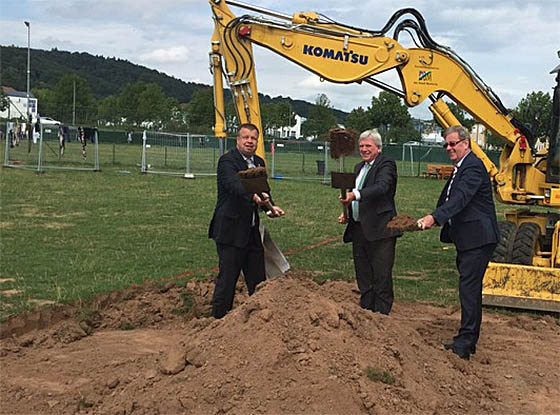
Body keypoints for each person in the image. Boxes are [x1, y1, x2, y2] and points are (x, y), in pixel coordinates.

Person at [417, 125, 499, 360]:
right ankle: (467, 339)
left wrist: (435, 217)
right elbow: (450, 198)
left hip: (478, 239)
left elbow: (461, 198)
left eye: (453, 143)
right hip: (469, 238)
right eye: (446, 144)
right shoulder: (460, 167)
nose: (449, 148)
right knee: (468, 288)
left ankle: (465, 344)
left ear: (466, 143)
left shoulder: (472, 167)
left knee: (469, 289)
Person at [208, 123, 284, 319]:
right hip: (230, 230)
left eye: (253, 138)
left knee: (258, 280)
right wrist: (255, 198)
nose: (250, 141)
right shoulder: (227, 161)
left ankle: (257, 323)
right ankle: (218, 322)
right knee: (228, 280)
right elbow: (235, 186)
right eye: (246, 137)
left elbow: (264, 190)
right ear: (238, 140)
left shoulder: (258, 162)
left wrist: (270, 208)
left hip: (251, 231)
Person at [338, 129, 402, 315]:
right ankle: (366, 312)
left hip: (381, 228)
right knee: (363, 274)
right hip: (359, 228)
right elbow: (355, 193)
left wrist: (354, 195)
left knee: (381, 275)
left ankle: (382, 317)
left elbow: (381, 187)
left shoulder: (386, 164)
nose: (364, 149)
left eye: (368, 146)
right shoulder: (359, 167)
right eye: (361, 146)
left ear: (378, 148)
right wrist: (348, 212)